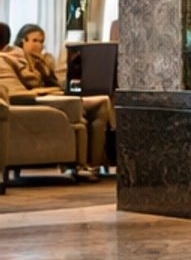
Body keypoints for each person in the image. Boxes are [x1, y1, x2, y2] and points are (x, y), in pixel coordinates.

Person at [0, 23, 113, 174]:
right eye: (34, 40)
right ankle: (89, 163)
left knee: (102, 102)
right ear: (21, 40)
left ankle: (94, 162)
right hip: (31, 98)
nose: (38, 45)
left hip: (39, 95)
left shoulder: (33, 58)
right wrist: (53, 88)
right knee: (96, 104)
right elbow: (31, 83)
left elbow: (51, 80)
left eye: (41, 41)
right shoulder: (14, 57)